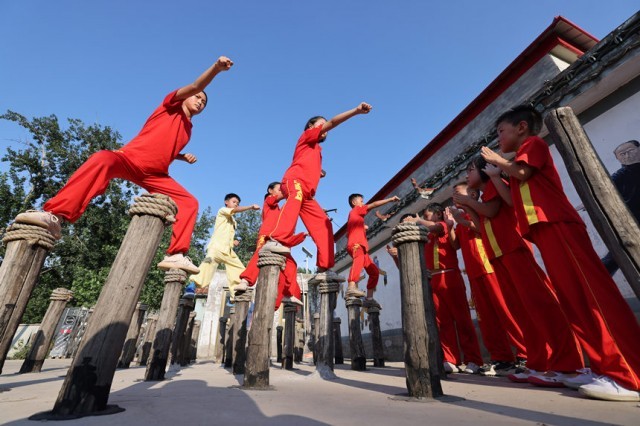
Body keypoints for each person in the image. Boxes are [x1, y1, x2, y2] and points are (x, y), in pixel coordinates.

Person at [15, 56, 234, 274]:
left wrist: (180, 156)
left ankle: (176, 254)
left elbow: (162, 146)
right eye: (197, 98)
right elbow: (197, 85)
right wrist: (216, 69)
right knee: (101, 158)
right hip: (129, 159)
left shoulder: (188, 129)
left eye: (204, 102)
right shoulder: (171, 105)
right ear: (186, 97)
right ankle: (55, 215)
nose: (200, 101)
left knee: (189, 202)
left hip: (155, 174)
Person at [482, 105, 640, 401]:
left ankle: (630, 373)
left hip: (558, 224)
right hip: (544, 231)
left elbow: (520, 172)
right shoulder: (516, 161)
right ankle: (602, 366)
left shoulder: (533, 145)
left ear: (522, 127)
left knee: (591, 296)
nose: (497, 140)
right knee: (574, 301)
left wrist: (497, 162)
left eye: (501, 131)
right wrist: (498, 171)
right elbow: (512, 191)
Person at [454, 156, 584, 386]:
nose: (467, 175)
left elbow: (493, 212)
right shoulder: (484, 195)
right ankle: (538, 363)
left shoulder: (495, 185)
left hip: (514, 249)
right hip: (499, 254)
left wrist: (468, 202)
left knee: (540, 304)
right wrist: (466, 208)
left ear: (485, 170)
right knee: (522, 311)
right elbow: (482, 221)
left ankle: (569, 365)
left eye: (470, 169)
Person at [264, 103, 372, 280]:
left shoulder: (316, 150)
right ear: (311, 127)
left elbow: (308, 165)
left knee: (324, 223)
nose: (325, 128)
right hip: (294, 182)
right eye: (322, 124)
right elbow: (334, 122)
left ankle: (324, 267)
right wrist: (356, 111)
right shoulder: (306, 136)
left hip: (308, 194)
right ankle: (277, 239)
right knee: (294, 200)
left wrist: (318, 173)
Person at [448, 183, 527, 376]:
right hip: (474, 273)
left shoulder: (479, 210)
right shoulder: (460, 219)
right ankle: (501, 358)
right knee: (486, 319)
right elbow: (455, 245)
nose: (454, 198)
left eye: (458, 193)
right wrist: (451, 226)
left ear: (473, 194)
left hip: (488, 267)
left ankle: (524, 354)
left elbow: (480, 230)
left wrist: (463, 218)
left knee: (505, 310)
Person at [407, 203, 483, 374]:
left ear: (438, 214)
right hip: (433, 278)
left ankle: (473, 359)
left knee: (462, 319)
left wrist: (418, 220)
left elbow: (435, 226)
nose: (425, 219)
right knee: (442, 322)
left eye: (427, 216)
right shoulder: (427, 235)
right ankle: (450, 359)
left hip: (449, 276)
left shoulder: (443, 226)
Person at [238, 182, 306, 307]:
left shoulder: (280, 210)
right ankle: (245, 280)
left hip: (278, 240)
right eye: (280, 189)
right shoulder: (269, 201)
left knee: (291, 265)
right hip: (267, 236)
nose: (282, 192)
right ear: (270, 190)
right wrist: (290, 192)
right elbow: (276, 199)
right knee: (260, 255)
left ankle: (287, 295)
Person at [188, 193, 259, 300]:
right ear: (226, 202)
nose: (236, 204)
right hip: (216, 248)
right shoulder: (222, 211)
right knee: (206, 265)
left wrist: (232, 242)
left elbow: (226, 233)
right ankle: (191, 287)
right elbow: (235, 210)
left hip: (228, 251)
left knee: (240, 269)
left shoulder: (233, 221)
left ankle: (236, 292)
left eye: (237, 203)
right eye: (234, 202)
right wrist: (250, 207)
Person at [345, 193, 400, 307]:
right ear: (354, 203)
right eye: (361, 201)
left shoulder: (355, 217)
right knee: (358, 259)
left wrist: (362, 228)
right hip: (357, 245)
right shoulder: (356, 210)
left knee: (374, 272)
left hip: (362, 248)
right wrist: (390, 198)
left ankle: (369, 299)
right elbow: (374, 204)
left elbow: (347, 234)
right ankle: (351, 285)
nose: (363, 204)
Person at [600, 140, 640, 274]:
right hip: (632, 222)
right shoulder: (620, 175)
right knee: (615, 257)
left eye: (630, 151)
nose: (627, 156)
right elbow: (603, 190)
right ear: (618, 158)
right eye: (622, 154)